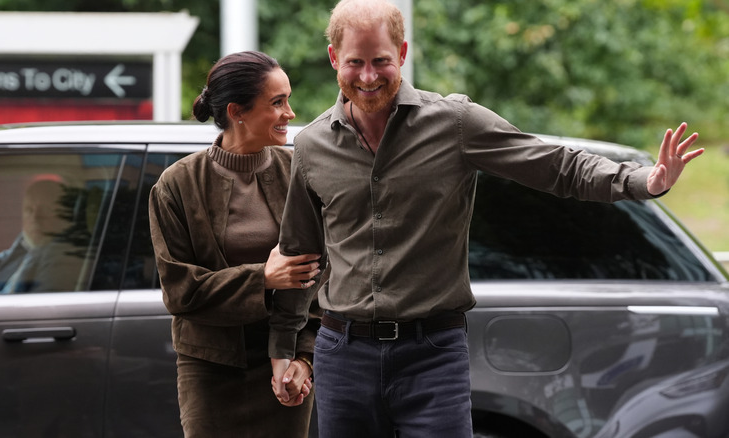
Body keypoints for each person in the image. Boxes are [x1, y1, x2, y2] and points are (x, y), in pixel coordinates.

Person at [268, 0, 704, 436]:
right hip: (344, 355)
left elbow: (555, 165)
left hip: (432, 354)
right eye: (355, 63)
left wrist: (645, 180)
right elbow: (299, 256)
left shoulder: (454, 124)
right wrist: (285, 348)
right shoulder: (311, 145)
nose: (367, 76)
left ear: (401, 54)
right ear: (333, 59)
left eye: (381, 60)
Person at [148, 51, 322, 438]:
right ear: (237, 111)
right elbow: (181, 292)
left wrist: (305, 359)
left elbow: (320, 279)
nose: (290, 113)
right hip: (209, 365)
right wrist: (263, 278)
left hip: (287, 360)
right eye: (277, 102)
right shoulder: (177, 185)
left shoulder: (298, 174)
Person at [0, 179, 83, 294]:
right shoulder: (26, 247)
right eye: (29, 210)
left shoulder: (64, 257)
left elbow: (43, 312)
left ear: (65, 217)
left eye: (47, 210)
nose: (35, 218)